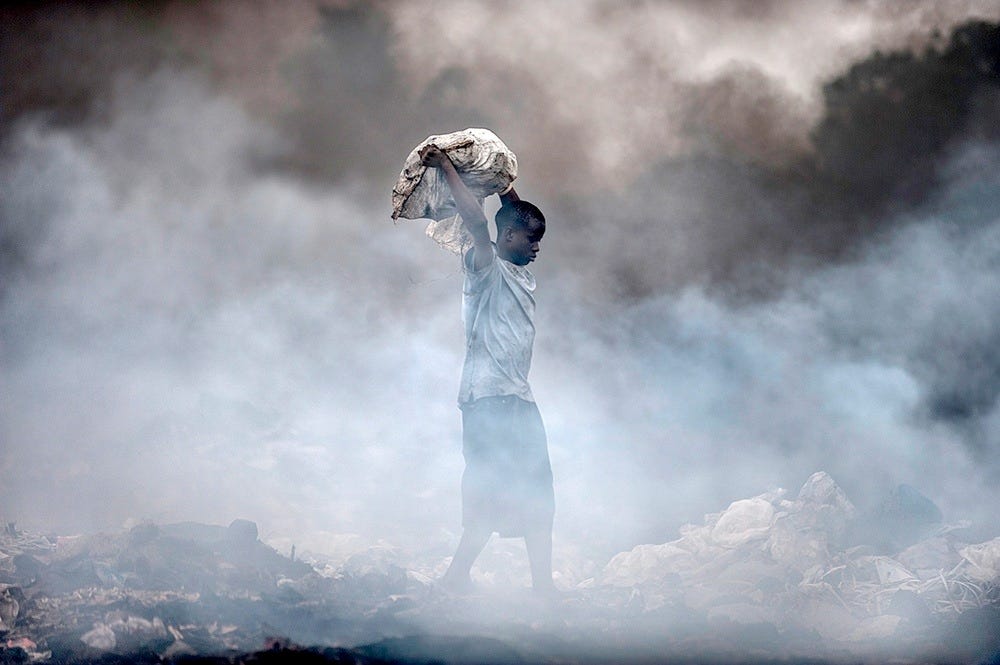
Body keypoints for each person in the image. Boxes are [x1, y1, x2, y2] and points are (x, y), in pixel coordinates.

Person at [418, 143, 556, 595]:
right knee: (487, 491)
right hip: (486, 401)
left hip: (518, 398)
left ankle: (542, 590)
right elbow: (480, 224)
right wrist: (443, 167)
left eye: (539, 240)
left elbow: (509, 214)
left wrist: (505, 185)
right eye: (530, 240)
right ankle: (454, 580)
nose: (537, 248)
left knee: (539, 493)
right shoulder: (486, 268)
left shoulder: (520, 267)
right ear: (508, 239)